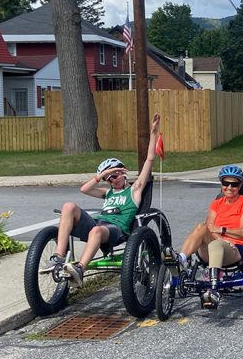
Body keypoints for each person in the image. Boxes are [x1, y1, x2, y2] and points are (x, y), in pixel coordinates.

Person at [53, 113, 162, 288]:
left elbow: (149, 159)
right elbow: (84, 189)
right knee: (69, 206)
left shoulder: (134, 190)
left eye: (116, 174)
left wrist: (154, 133)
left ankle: (80, 269)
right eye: (109, 178)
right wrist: (101, 176)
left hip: (117, 230)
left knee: (96, 231)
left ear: (123, 171)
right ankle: (58, 257)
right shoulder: (107, 192)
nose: (114, 179)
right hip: (98, 226)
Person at [179, 164, 243, 310]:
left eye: (234, 184)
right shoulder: (216, 204)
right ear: (221, 184)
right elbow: (208, 227)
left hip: (237, 249)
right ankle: (180, 260)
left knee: (216, 245)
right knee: (200, 227)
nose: (229, 187)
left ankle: (213, 291)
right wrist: (222, 238)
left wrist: (222, 230)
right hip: (218, 244)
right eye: (225, 183)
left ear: (240, 186)